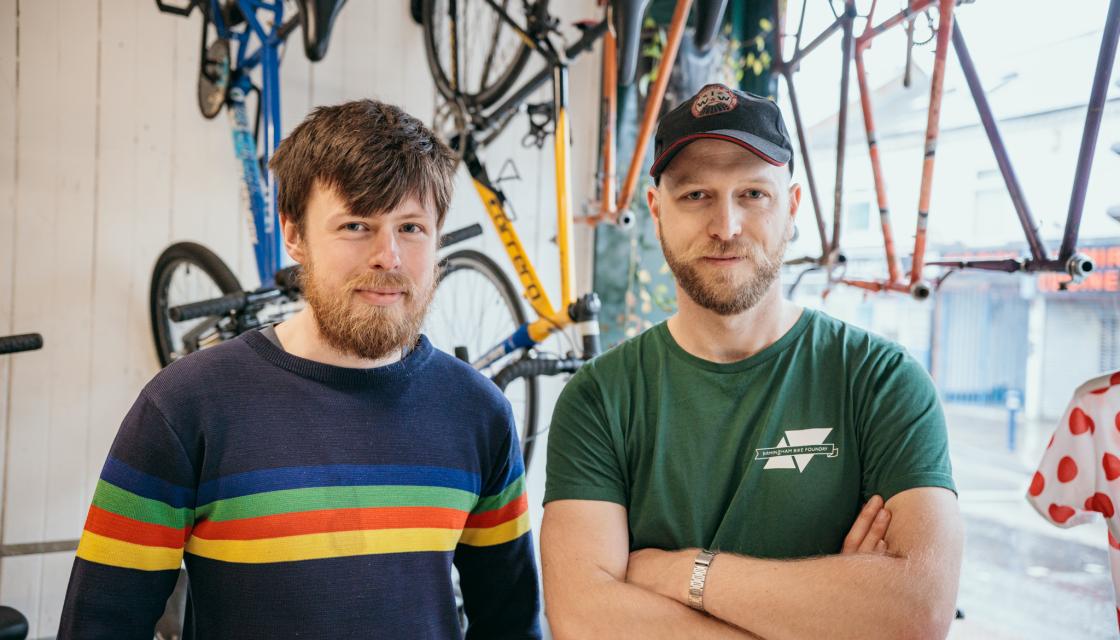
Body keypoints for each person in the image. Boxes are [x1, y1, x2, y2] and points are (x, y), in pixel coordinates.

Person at [59, 99, 541, 639]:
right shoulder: (186, 406)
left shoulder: (479, 413)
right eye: (356, 224)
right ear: (294, 235)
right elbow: (99, 624)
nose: (390, 257)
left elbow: (512, 625)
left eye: (411, 227)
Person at [541, 83, 962, 639]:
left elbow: (917, 610)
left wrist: (682, 573)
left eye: (752, 195)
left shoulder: (880, 381)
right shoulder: (601, 398)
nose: (726, 226)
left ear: (790, 206)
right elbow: (582, 617)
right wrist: (828, 613)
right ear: (655, 209)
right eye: (695, 195)